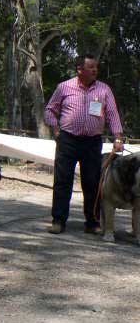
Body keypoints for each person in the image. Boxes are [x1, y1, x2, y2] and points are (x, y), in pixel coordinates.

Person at [44, 53, 124, 235]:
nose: (95, 70)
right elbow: (50, 110)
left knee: (92, 183)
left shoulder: (104, 90)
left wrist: (118, 138)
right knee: (63, 181)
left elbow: (112, 114)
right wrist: (56, 130)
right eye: (91, 67)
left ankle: (92, 222)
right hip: (68, 140)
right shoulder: (64, 87)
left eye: (96, 67)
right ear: (79, 70)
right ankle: (58, 220)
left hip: (92, 142)